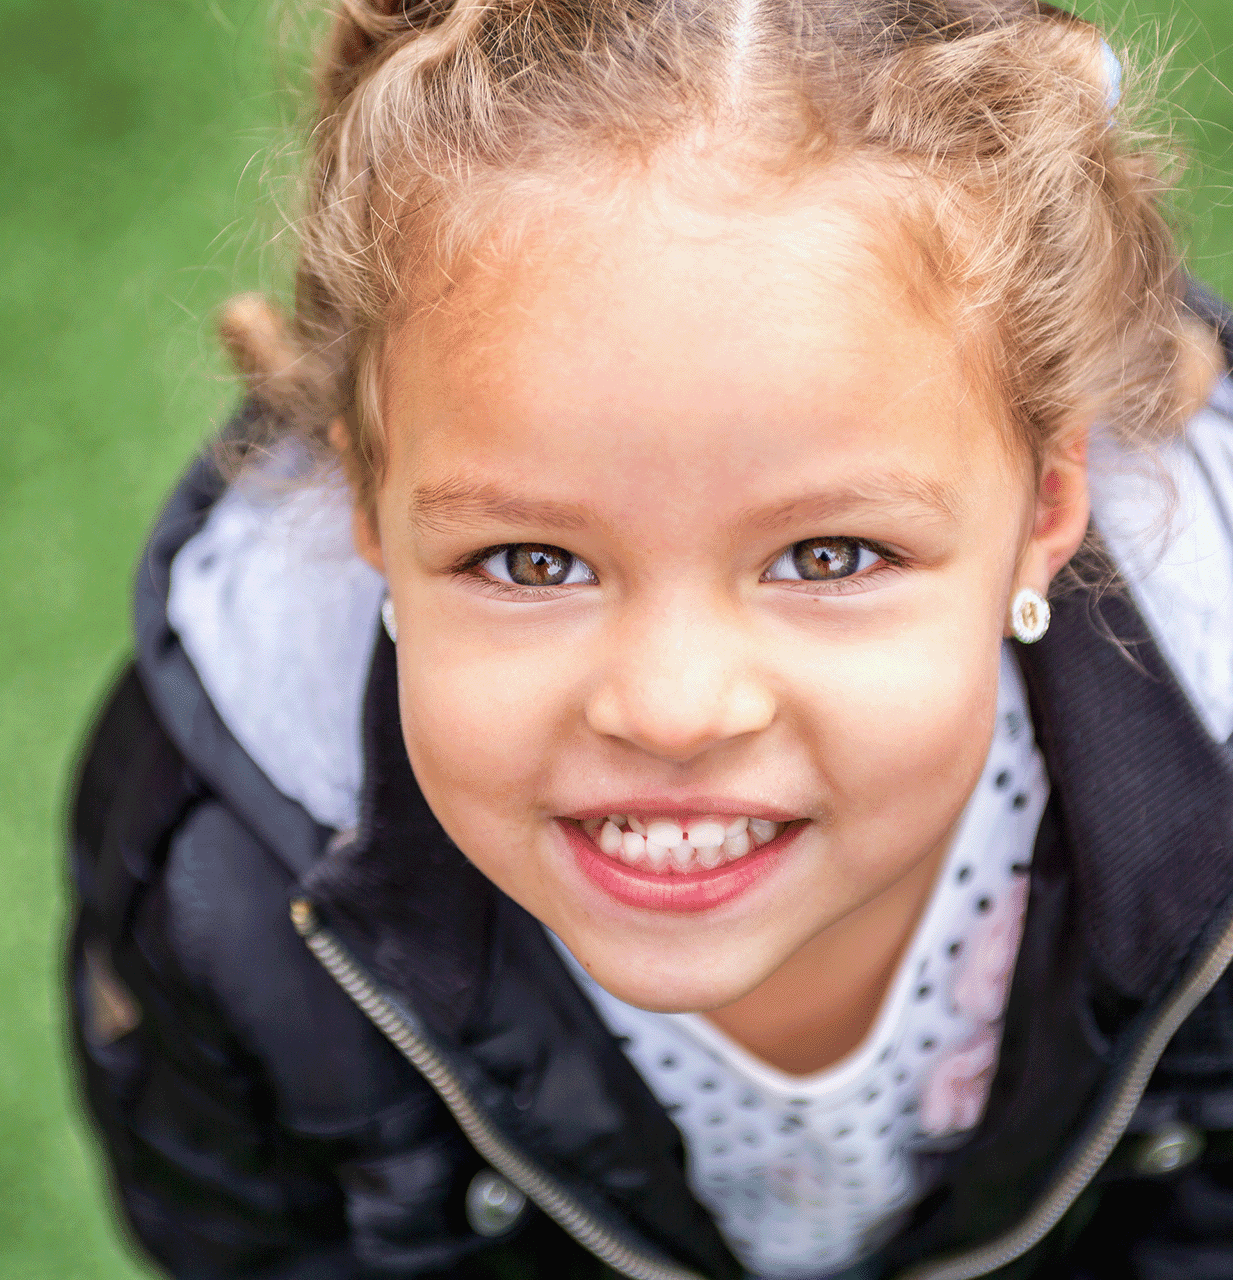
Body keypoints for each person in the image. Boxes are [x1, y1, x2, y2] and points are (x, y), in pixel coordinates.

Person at [65, 0, 1233, 1276]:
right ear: (370, 514)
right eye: (530, 560)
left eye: (828, 555)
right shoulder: (216, 870)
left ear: (1044, 509)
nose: (674, 708)